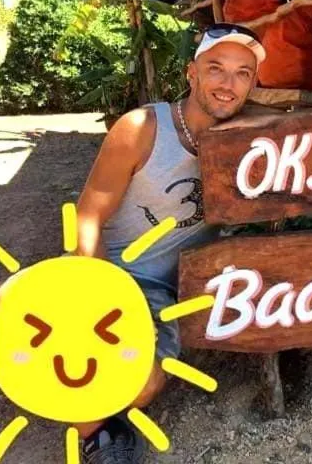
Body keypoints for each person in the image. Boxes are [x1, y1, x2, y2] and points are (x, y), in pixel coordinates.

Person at [72, 23, 265, 462]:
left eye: (242, 73)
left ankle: (98, 408)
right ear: (191, 73)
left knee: (141, 384)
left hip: (166, 291)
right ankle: (99, 436)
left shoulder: (252, 139)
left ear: (253, 85)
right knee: (9, 303)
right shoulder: (142, 128)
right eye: (216, 68)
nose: (227, 84)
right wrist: (98, 291)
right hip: (107, 271)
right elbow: (89, 215)